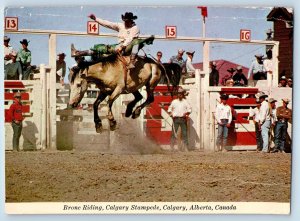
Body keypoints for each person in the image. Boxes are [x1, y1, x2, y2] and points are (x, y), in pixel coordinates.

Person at [72, 12, 140, 69]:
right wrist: (95, 19)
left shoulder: (135, 28)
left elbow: (130, 39)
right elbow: (108, 24)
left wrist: (122, 46)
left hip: (128, 47)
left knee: (136, 41)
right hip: (119, 45)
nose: (125, 22)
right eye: (124, 21)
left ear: (131, 20)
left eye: (127, 21)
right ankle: (78, 53)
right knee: (101, 48)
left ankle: (132, 61)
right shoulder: (121, 26)